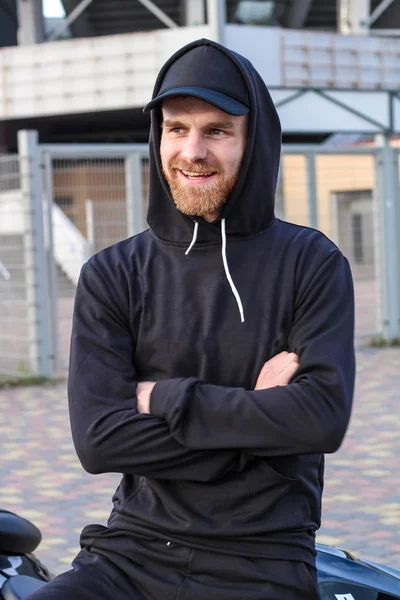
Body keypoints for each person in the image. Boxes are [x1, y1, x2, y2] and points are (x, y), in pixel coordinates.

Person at [27, 38, 355, 600]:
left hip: (263, 558)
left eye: (217, 130)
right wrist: (260, 418)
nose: (192, 150)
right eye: (176, 129)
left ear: (254, 142)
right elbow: (100, 442)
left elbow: (319, 421)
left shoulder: (312, 263)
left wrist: (163, 399)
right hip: (129, 552)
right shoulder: (113, 273)